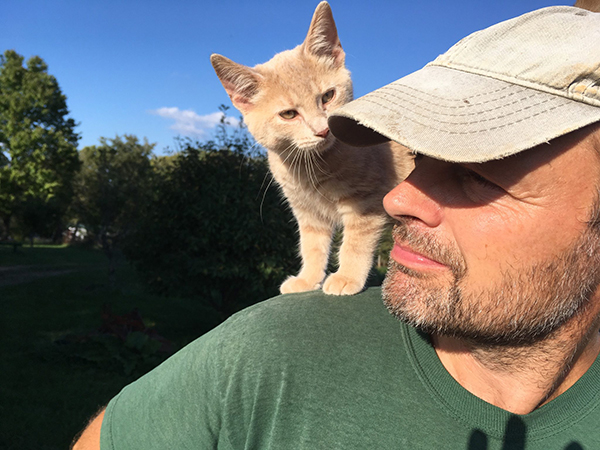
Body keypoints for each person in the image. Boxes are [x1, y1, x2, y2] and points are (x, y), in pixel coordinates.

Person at [73, 6, 600, 449]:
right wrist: (312, 273)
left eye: (479, 173)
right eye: (417, 157)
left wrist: (348, 266)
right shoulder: (261, 357)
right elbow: (313, 219)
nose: (398, 199)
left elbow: (361, 208)